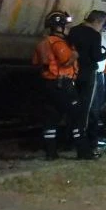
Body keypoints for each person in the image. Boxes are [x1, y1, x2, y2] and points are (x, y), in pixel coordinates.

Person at [32, 11, 80, 160]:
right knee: (76, 117)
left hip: (48, 84)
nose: (67, 29)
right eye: (66, 25)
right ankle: (84, 151)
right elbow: (66, 61)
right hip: (62, 84)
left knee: (50, 120)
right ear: (60, 26)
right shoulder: (58, 43)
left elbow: (35, 62)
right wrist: (75, 55)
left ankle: (51, 153)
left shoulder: (42, 43)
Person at [66, 10, 106, 160]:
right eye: (102, 24)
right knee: (86, 108)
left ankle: (69, 139)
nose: (102, 27)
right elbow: (96, 56)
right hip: (88, 74)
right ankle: (83, 143)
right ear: (98, 21)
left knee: (73, 106)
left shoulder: (73, 31)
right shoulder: (94, 35)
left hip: (73, 73)